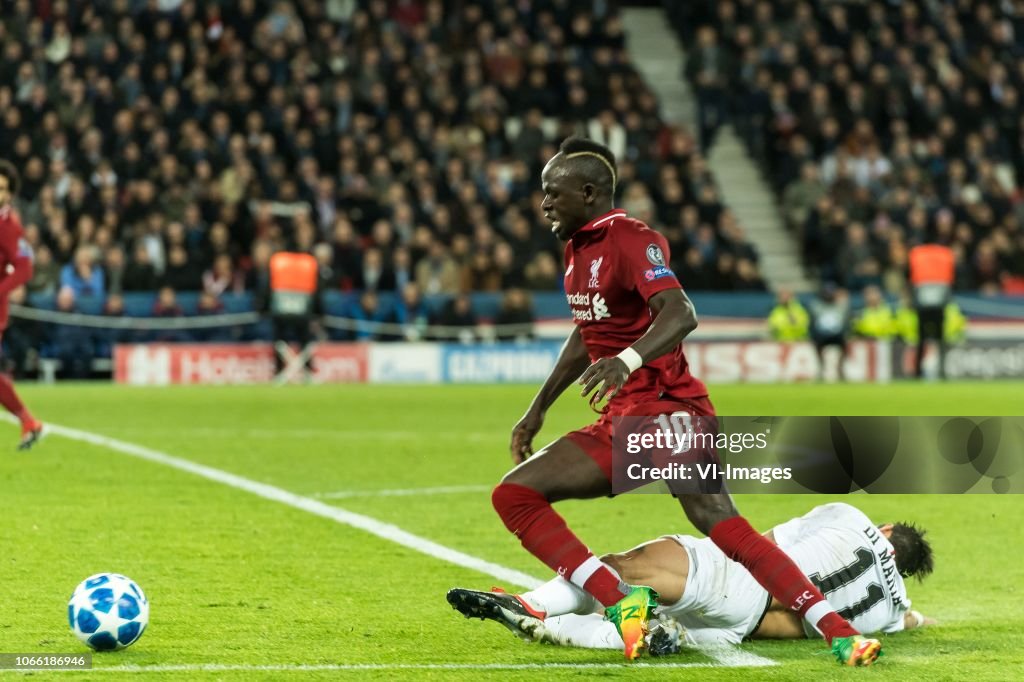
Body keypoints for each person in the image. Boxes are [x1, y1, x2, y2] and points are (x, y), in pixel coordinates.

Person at [483, 138, 879, 664]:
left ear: (589, 192)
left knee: (723, 525)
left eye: (553, 193)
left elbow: (680, 312)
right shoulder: (577, 249)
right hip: (625, 417)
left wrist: (625, 361)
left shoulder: (631, 239)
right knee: (516, 495)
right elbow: (587, 333)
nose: (545, 204)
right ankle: (627, 604)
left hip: (668, 411)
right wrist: (538, 408)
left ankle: (835, 628)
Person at [449, 503, 934, 656]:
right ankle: (545, 628)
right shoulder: (891, 612)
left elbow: (761, 544)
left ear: (886, 530)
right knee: (643, 626)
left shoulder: (850, 516)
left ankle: (535, 604)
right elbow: (914, 619)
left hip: (744, 580)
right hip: (743, 627)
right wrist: (916, 615)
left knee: (622, 569)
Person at [0, 161, 43, 449]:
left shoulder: (10, 226)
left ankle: (28, 420)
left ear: (10, 194)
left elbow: (25, 269)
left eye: (2, 188)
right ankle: (29, 421)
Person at [908, 243, 955, 379]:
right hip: (938, 306)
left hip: (923, 306)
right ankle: (941, 371)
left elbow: (912, 281)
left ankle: (918, 371)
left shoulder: (917, 256)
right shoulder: (945, 257)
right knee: (939, 339)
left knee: (922, 339)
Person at [809, 283, 851, 380]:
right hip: (821, 335)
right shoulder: (816, 306)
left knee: (845, 344)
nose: (828, 295)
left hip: (837, 334)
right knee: (817, 344)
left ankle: (840, 368)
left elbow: (846, 318)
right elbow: (812, 322)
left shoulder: (841, 305)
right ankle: (821, 367)